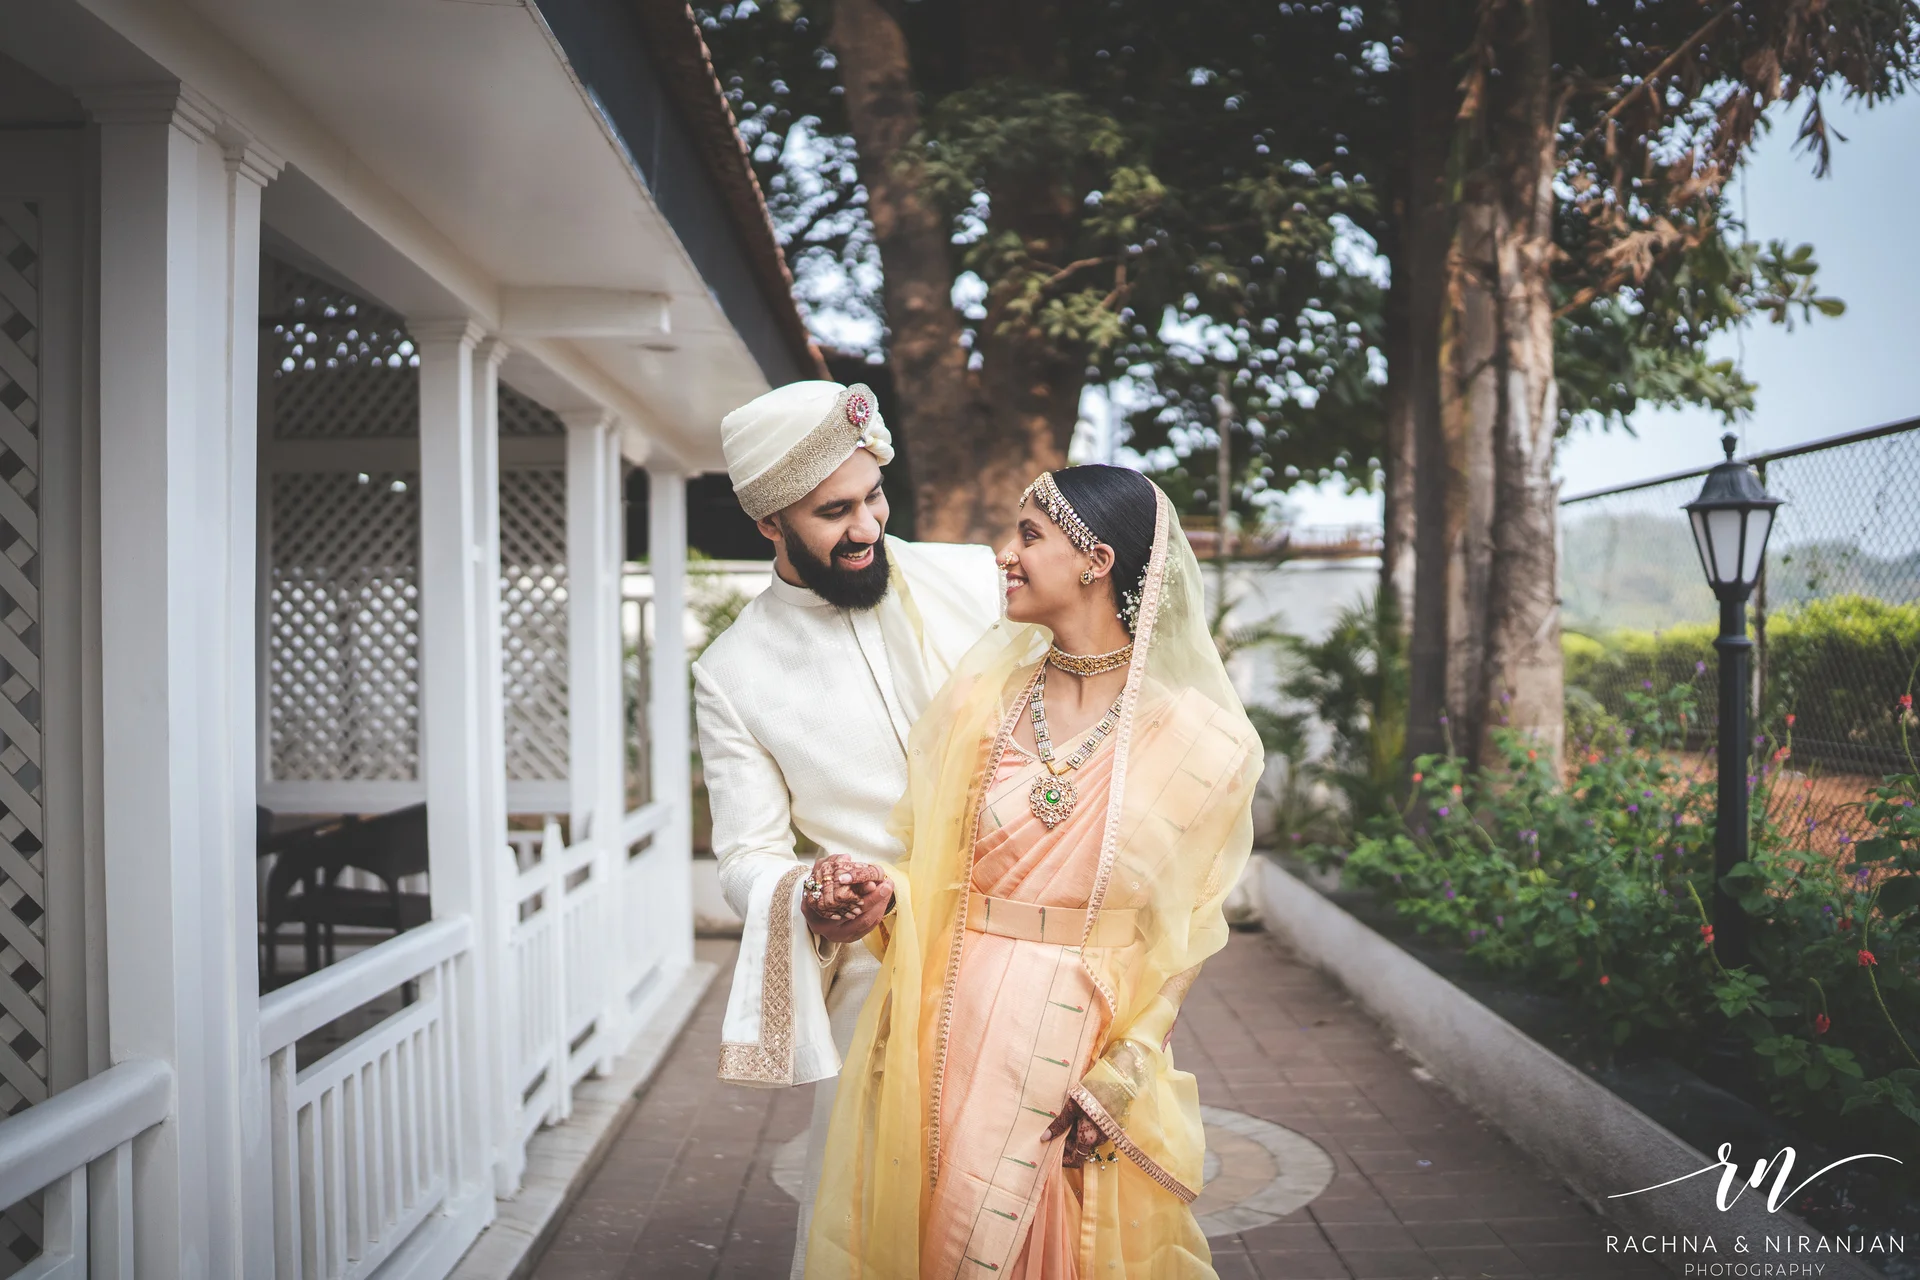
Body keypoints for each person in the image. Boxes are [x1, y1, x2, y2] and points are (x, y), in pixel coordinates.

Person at [804, 464, 1264, 1279]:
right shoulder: (983, 703)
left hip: (1087, 1036)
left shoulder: (1206, 742)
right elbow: (929, 871)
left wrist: (1129, 1066)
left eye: (1029, 535)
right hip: (952, 1022)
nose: (1002, 555)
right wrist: (880, 896)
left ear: (1096, 558)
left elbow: (1187, 929)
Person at [692, 379, 1004, 1279]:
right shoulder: (734, 672)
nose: (867, 526)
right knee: (886, 1224)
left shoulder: (972, 579)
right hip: (884, 984)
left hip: (1022, 951)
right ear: (770, 526)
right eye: (833, 512)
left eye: (874, 496)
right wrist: (816, 891)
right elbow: (748, 855)